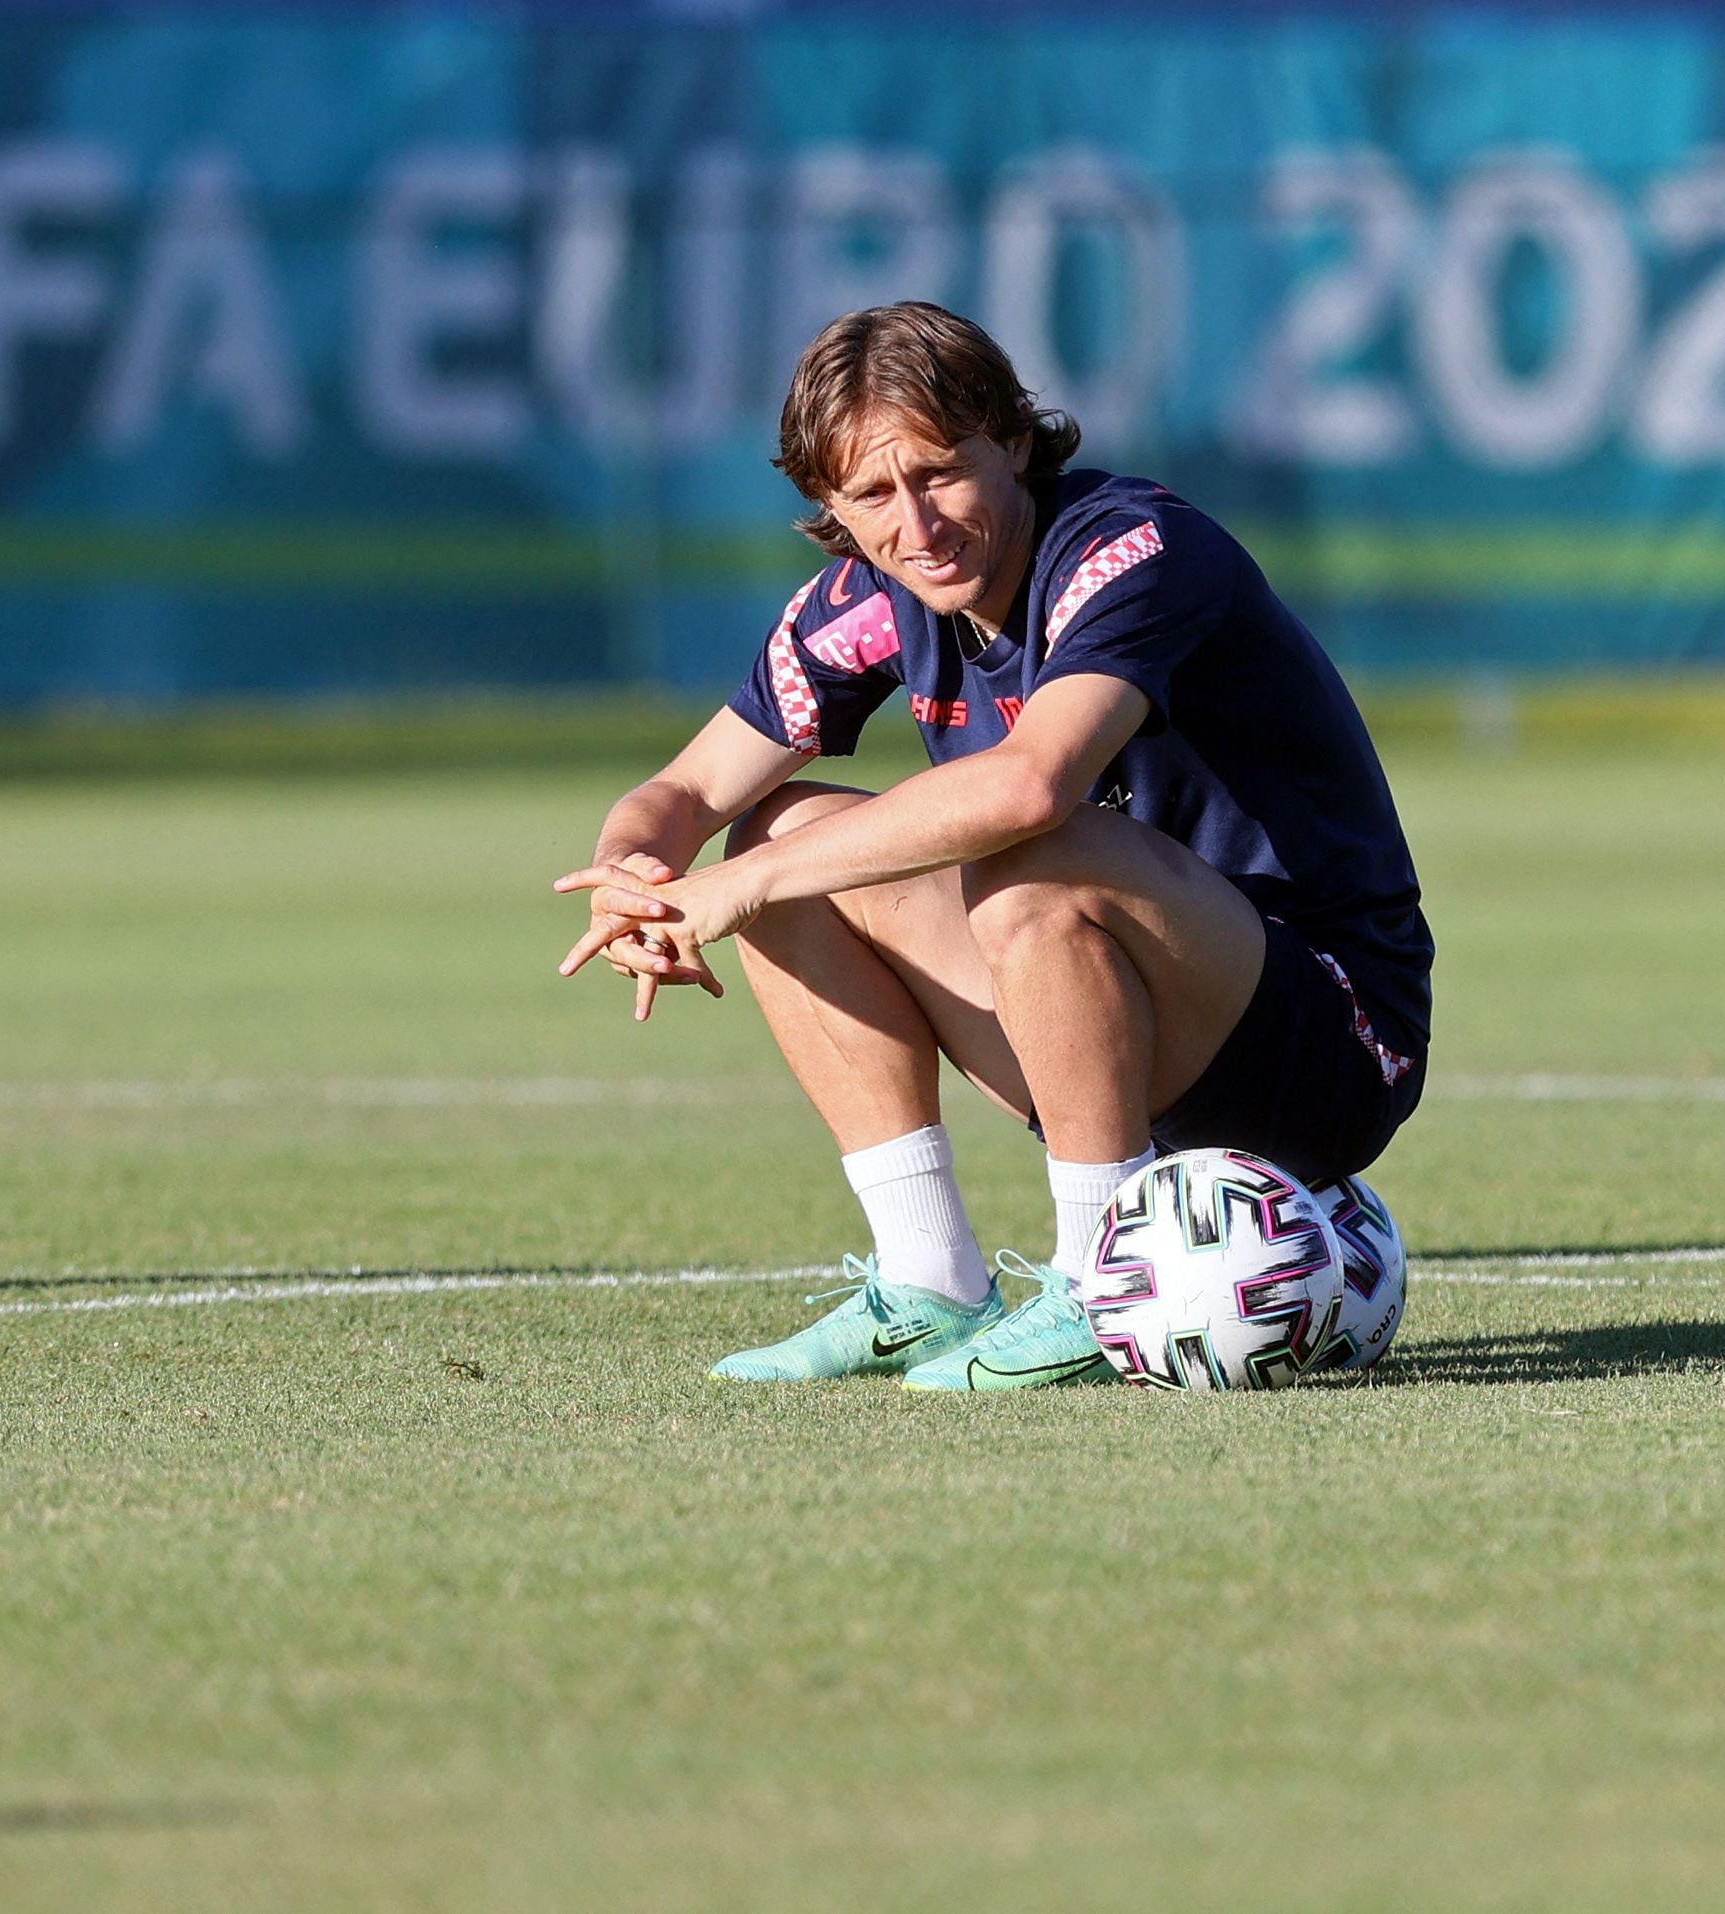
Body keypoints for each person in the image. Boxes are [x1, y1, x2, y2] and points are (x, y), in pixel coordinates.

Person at [555, 301, 1431, 1389]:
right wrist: (635, 880)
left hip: (1327, 1040)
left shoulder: (1133, 548)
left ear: (1013, 441)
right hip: (1112, 1026)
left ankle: (1095, 1285)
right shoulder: (871, 600)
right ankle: (927, 1281)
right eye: (872, 493)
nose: (915, 522)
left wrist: (733, 887)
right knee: (780, 827)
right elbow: (684, 788)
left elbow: (1031, 786)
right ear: (828, 503)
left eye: (940, 471)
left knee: (1025, 850)